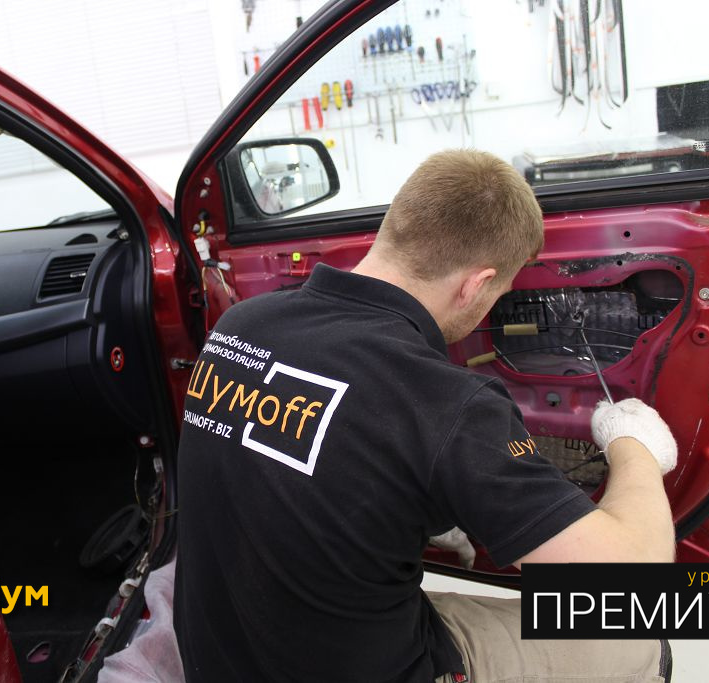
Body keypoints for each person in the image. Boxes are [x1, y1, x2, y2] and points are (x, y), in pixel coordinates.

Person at [173, 149, 677, 682]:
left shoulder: (240, 327)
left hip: (220, 661)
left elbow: (319, 456)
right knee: (638, 635)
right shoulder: (449, 405)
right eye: (499, 292)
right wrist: (635, 447)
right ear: (476, 284)